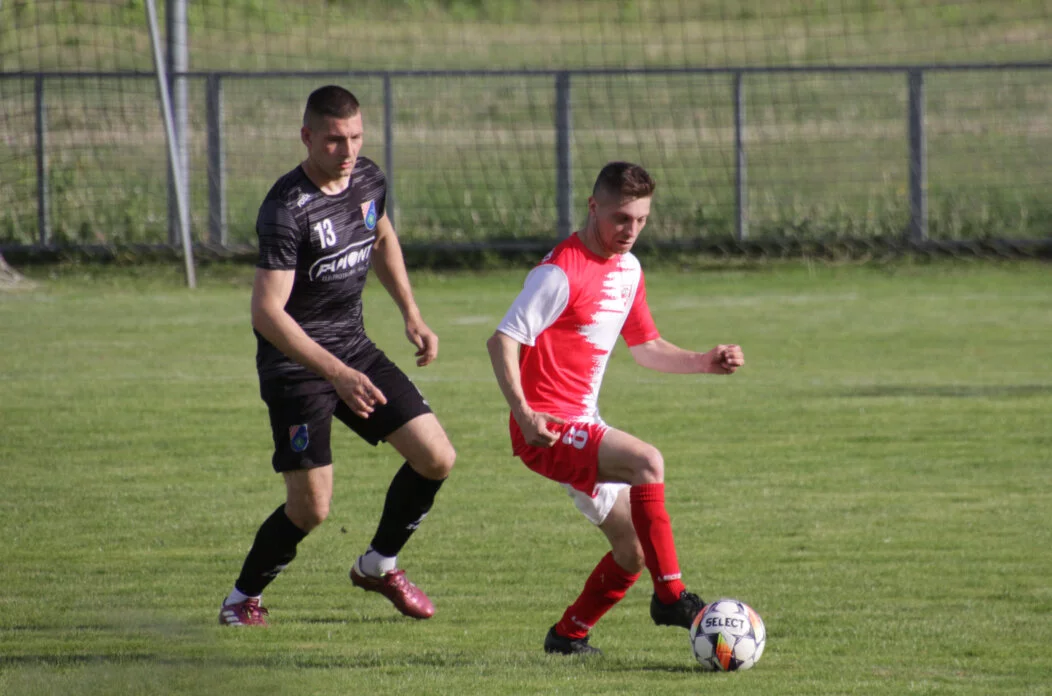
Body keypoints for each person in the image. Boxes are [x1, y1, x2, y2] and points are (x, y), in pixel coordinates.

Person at [219, 85, 456, 626]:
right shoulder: (285, 209)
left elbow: (382, 236)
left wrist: (412, 313)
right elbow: (267, 313)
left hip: (353, 347)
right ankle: (241, 599)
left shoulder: (368, 179)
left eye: (355, 137)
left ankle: (378, 565)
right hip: (295, 365)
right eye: (333, 140)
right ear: (306, 137)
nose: (347, 151)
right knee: (311, 508)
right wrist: (336, 374)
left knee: (436, 457)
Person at [486, 162, 745, 655]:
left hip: (584, 423)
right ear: (593, 207)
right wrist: (523, 412)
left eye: (641, 220)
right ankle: (670, 597)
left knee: (634, 551)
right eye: (621, 218)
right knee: (647, 461)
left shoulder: (628, 269)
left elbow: (646, 347)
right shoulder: (559, 273)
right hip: (547, 426)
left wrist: (703, 362)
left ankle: (568, 636)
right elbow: (502, 341)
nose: (631, 230)